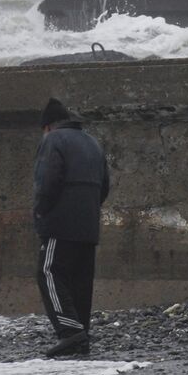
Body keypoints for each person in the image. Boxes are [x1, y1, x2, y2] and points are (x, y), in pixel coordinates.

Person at [34, 97, 111, 358]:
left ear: (47, 126)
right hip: (88, 225)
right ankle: (81, 336)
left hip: (60, 222)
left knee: (49, 272)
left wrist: (41, 211)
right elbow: (105, 186)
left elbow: (47, 181)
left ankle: (69, 331)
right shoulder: (93, 142)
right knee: (80, 279)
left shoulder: (53, 141)